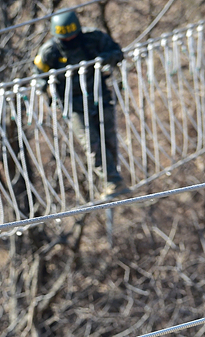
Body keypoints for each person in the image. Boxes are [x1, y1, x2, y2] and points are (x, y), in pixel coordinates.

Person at [33, 10, 129, 199]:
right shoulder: (49, 52)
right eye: (65, 38)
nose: (70, 41)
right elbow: (38, 74)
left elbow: (117, 52)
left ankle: (115, 180)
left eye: (73, 37)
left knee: (108, 138)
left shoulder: (94, 39)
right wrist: (43, 85)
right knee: (91, 142)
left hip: (99, 96)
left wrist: (106, 58)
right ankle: (112, 181)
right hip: (72, 104)